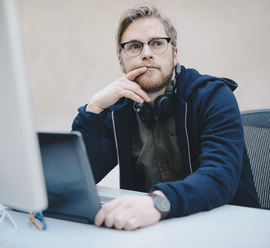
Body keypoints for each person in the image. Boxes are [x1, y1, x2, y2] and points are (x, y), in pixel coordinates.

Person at [72, 3, 259, 230]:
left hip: (227, 229)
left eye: (157, 43)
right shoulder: (118, 111)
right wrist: (94, 108)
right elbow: (80, 179)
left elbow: (219, 177)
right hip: (154, 232)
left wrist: (157, 203)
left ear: (174, 53)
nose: (147, 53)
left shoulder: (213, 97)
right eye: (134, 46)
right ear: (121, 62)